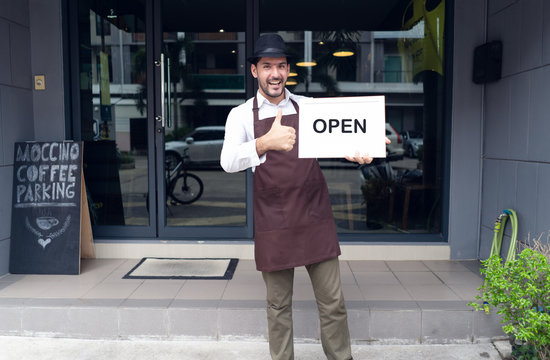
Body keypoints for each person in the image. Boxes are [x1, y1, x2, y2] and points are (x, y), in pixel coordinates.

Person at [220, 33, 383, 360]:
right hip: (274, 222)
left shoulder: (308, 108)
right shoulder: (240, 116)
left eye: (280, 65)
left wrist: (361, 152)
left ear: (288, 70)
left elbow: (341, 142)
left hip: (314, 217)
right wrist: (265, 143)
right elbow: (227, 162)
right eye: (267, 66)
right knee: (278, 306)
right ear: (255, 71)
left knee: (333, 303)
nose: (275, 73)